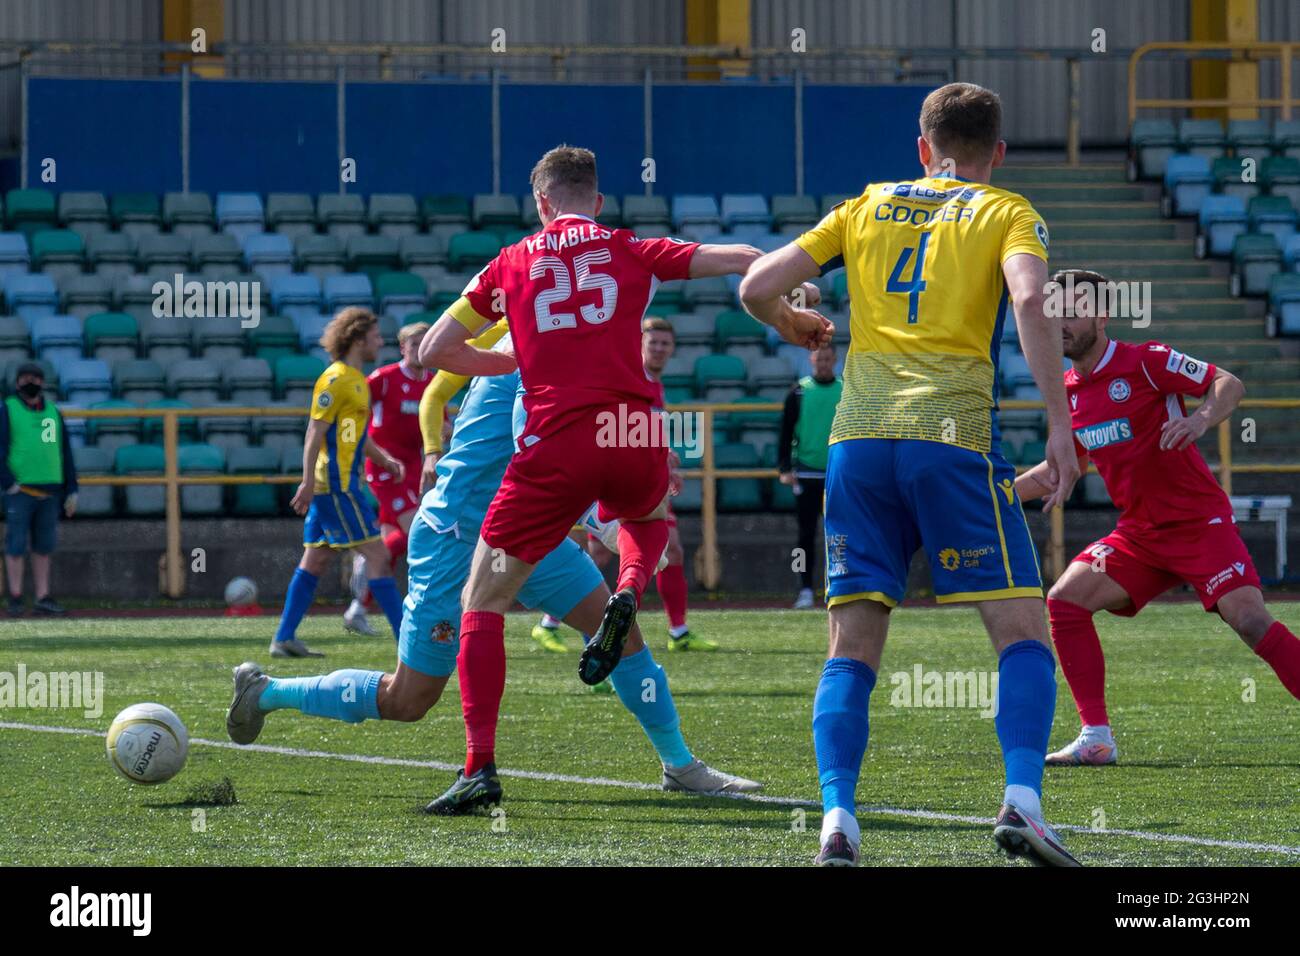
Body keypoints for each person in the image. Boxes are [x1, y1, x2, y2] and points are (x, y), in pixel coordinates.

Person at [739, 82, 1082, 867]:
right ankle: (1022, 803)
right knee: (1023, 634)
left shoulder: (865, 204)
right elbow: (1030, 300)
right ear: (996, 153)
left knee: (851, 644)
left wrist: (790, 321)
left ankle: (836, 820)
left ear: (922, 149)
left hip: (857, 445)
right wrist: (1060, 428)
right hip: (952, 437)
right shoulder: (1006, 211)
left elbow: (757, 285)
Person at [226, 318, 760, 812]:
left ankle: (680, 765)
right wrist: (609, 525)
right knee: (409, 699)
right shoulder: (539, 356)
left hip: (525, 529)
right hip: (457, 537)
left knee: (620, 634)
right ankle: (268, 691)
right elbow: (548, 458)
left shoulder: (553, 347)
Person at [419, 143, 829, 738]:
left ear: (541, 202)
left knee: (482, 601)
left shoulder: (509, 263)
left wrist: (512, 361)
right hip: (631, 430)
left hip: (555, 436)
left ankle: (478, 764)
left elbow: (435, 351)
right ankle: (631, 591)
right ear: (600, 201)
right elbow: (743, 258)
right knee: (649, 522)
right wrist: (791, 302)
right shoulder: (631, 247)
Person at [1015, 269, 1300, 766]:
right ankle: (1096, 737)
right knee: (1064, 601)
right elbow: (1064, 466)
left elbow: (1226, 384)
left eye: (1072, 310)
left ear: (1101, 316)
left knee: (1251, 621)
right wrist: (995, 495)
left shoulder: (1147, 361)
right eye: (1053, 311)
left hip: (1198, 523)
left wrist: (1199, 419)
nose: (1059, 322)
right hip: (1140, 534)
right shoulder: (1066, 392)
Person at [531, 316, 717, 653]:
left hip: (644, 476)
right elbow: (613, 422)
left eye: (665, 343)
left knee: (621, 550)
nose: (659, 349)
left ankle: (675, 630)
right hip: (621, 478)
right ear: (641, 343)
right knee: (652, 547)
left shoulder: (654, 385)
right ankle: (641, 628)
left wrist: (662, 455)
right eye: (653, 342)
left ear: (673, 348)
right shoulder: (629, 375)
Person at [269, 307, 407, 658]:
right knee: (377, 555)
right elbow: (315, 432)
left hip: (340, 483)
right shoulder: (335, 379)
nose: (380, 342)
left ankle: (284, 638)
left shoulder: (357, 379)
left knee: (315, 561)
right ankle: (409, 640)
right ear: (358, 339)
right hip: (336, 485)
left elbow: (355, 434)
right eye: (375, 336)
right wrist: (307, 482)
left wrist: (383, 459)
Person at [343, 321, 432, 636]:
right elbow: (355, 411)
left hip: (414, 469)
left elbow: (439, 425)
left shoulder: (433, 383)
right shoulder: (384, 379)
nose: (420, 349)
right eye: (414, 344)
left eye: (425, 343)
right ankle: (426, 611)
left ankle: (359, 603)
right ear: (403, 348)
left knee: (396, 541)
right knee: (420, 533)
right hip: (385, 467)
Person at [2, 362, 77, 617]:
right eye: (25, 378)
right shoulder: (7, 409)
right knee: (15, 545)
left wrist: (71, 488)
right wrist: (8, 483)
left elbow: (64, 452)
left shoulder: (54, 412)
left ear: (43, 382)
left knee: (44, 547)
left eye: (34, 377)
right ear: (17, 383)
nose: (29, 382)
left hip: (50, 492)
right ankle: (14, 597)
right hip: (20, 490)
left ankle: (42, 597)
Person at [778, 344, 842, 609]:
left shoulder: (845, 390)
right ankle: (804, 588)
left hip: (837, 473)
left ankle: (836, 585)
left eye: (828, 359)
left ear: (835, 360)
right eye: (819, 358)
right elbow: (785, 432)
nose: (823, 363)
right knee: (804, 535)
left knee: (838, 535)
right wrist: (784, 468)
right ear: (811, 359)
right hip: (805, 472)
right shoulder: (799, 391)